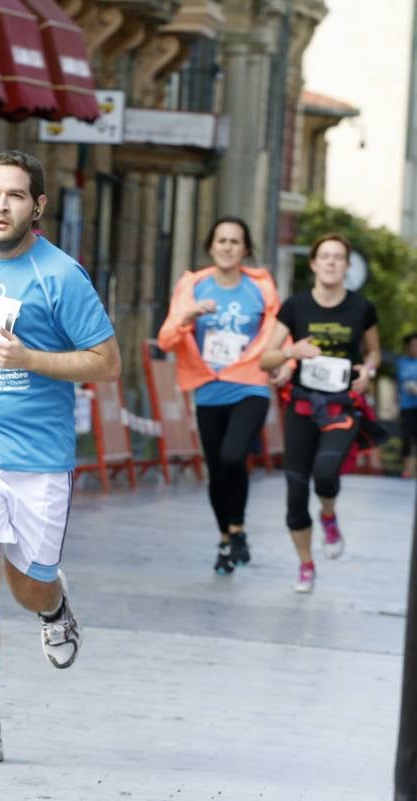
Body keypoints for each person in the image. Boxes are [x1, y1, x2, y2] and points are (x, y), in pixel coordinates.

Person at [0, 150, 120, 767]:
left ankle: (55, 605)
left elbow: (106, 362)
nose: (1, 206)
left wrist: (30, 359)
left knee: (27, 582)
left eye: (14, 196)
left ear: (37, 206)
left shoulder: (60, 277)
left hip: (37, 459)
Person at [157, 217, 282, 574]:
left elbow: (278, 332)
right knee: (216, 470)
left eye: (235, 241)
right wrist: (189, 315)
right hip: (209, 389)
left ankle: (238, 528)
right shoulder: (193, 287)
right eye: (222, 240)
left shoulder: (261, 289)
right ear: (211, 247)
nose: (227, 246)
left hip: (250, 384)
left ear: (246, 249)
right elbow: (166, 339)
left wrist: (284, 362)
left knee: (232, 456)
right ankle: (227, 539)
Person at [260, 233, 381, 593]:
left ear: (347, 266)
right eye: (324, 257)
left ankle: (329, 516)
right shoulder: (295, 307)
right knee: (296, 493)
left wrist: (368, 371)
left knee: (325, 473)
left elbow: (373, 352)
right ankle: (306, 565)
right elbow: (266, 357)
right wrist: (291, 352)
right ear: (313, 264)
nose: (330, 263)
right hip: (302, 406)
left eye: (338, 257)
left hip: (342, 406)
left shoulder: (362, 308)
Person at [399, 332, 417, 479]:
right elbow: (400, 384)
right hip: (406, 407)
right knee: (406, 438)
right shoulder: (402, 363)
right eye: (413, 345)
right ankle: (406, 470)